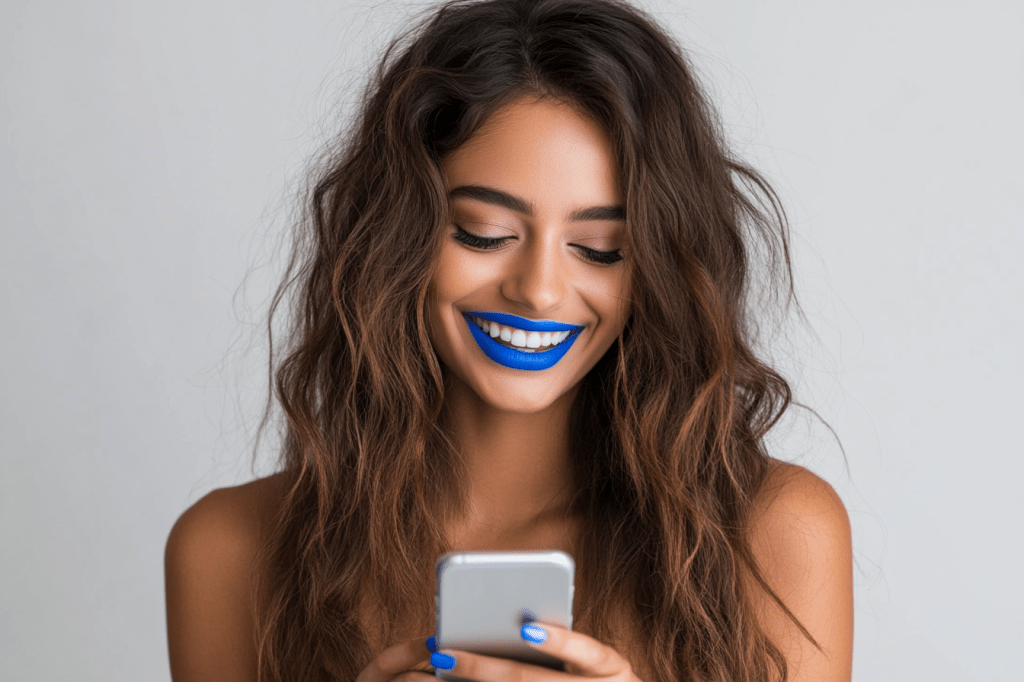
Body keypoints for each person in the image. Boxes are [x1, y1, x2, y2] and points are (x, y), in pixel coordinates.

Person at [164, 0, 853, 680]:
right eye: (484, 235)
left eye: (600, 248)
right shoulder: (229, 552)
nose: (540, 289)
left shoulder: (776, 536)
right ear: (395, 237)